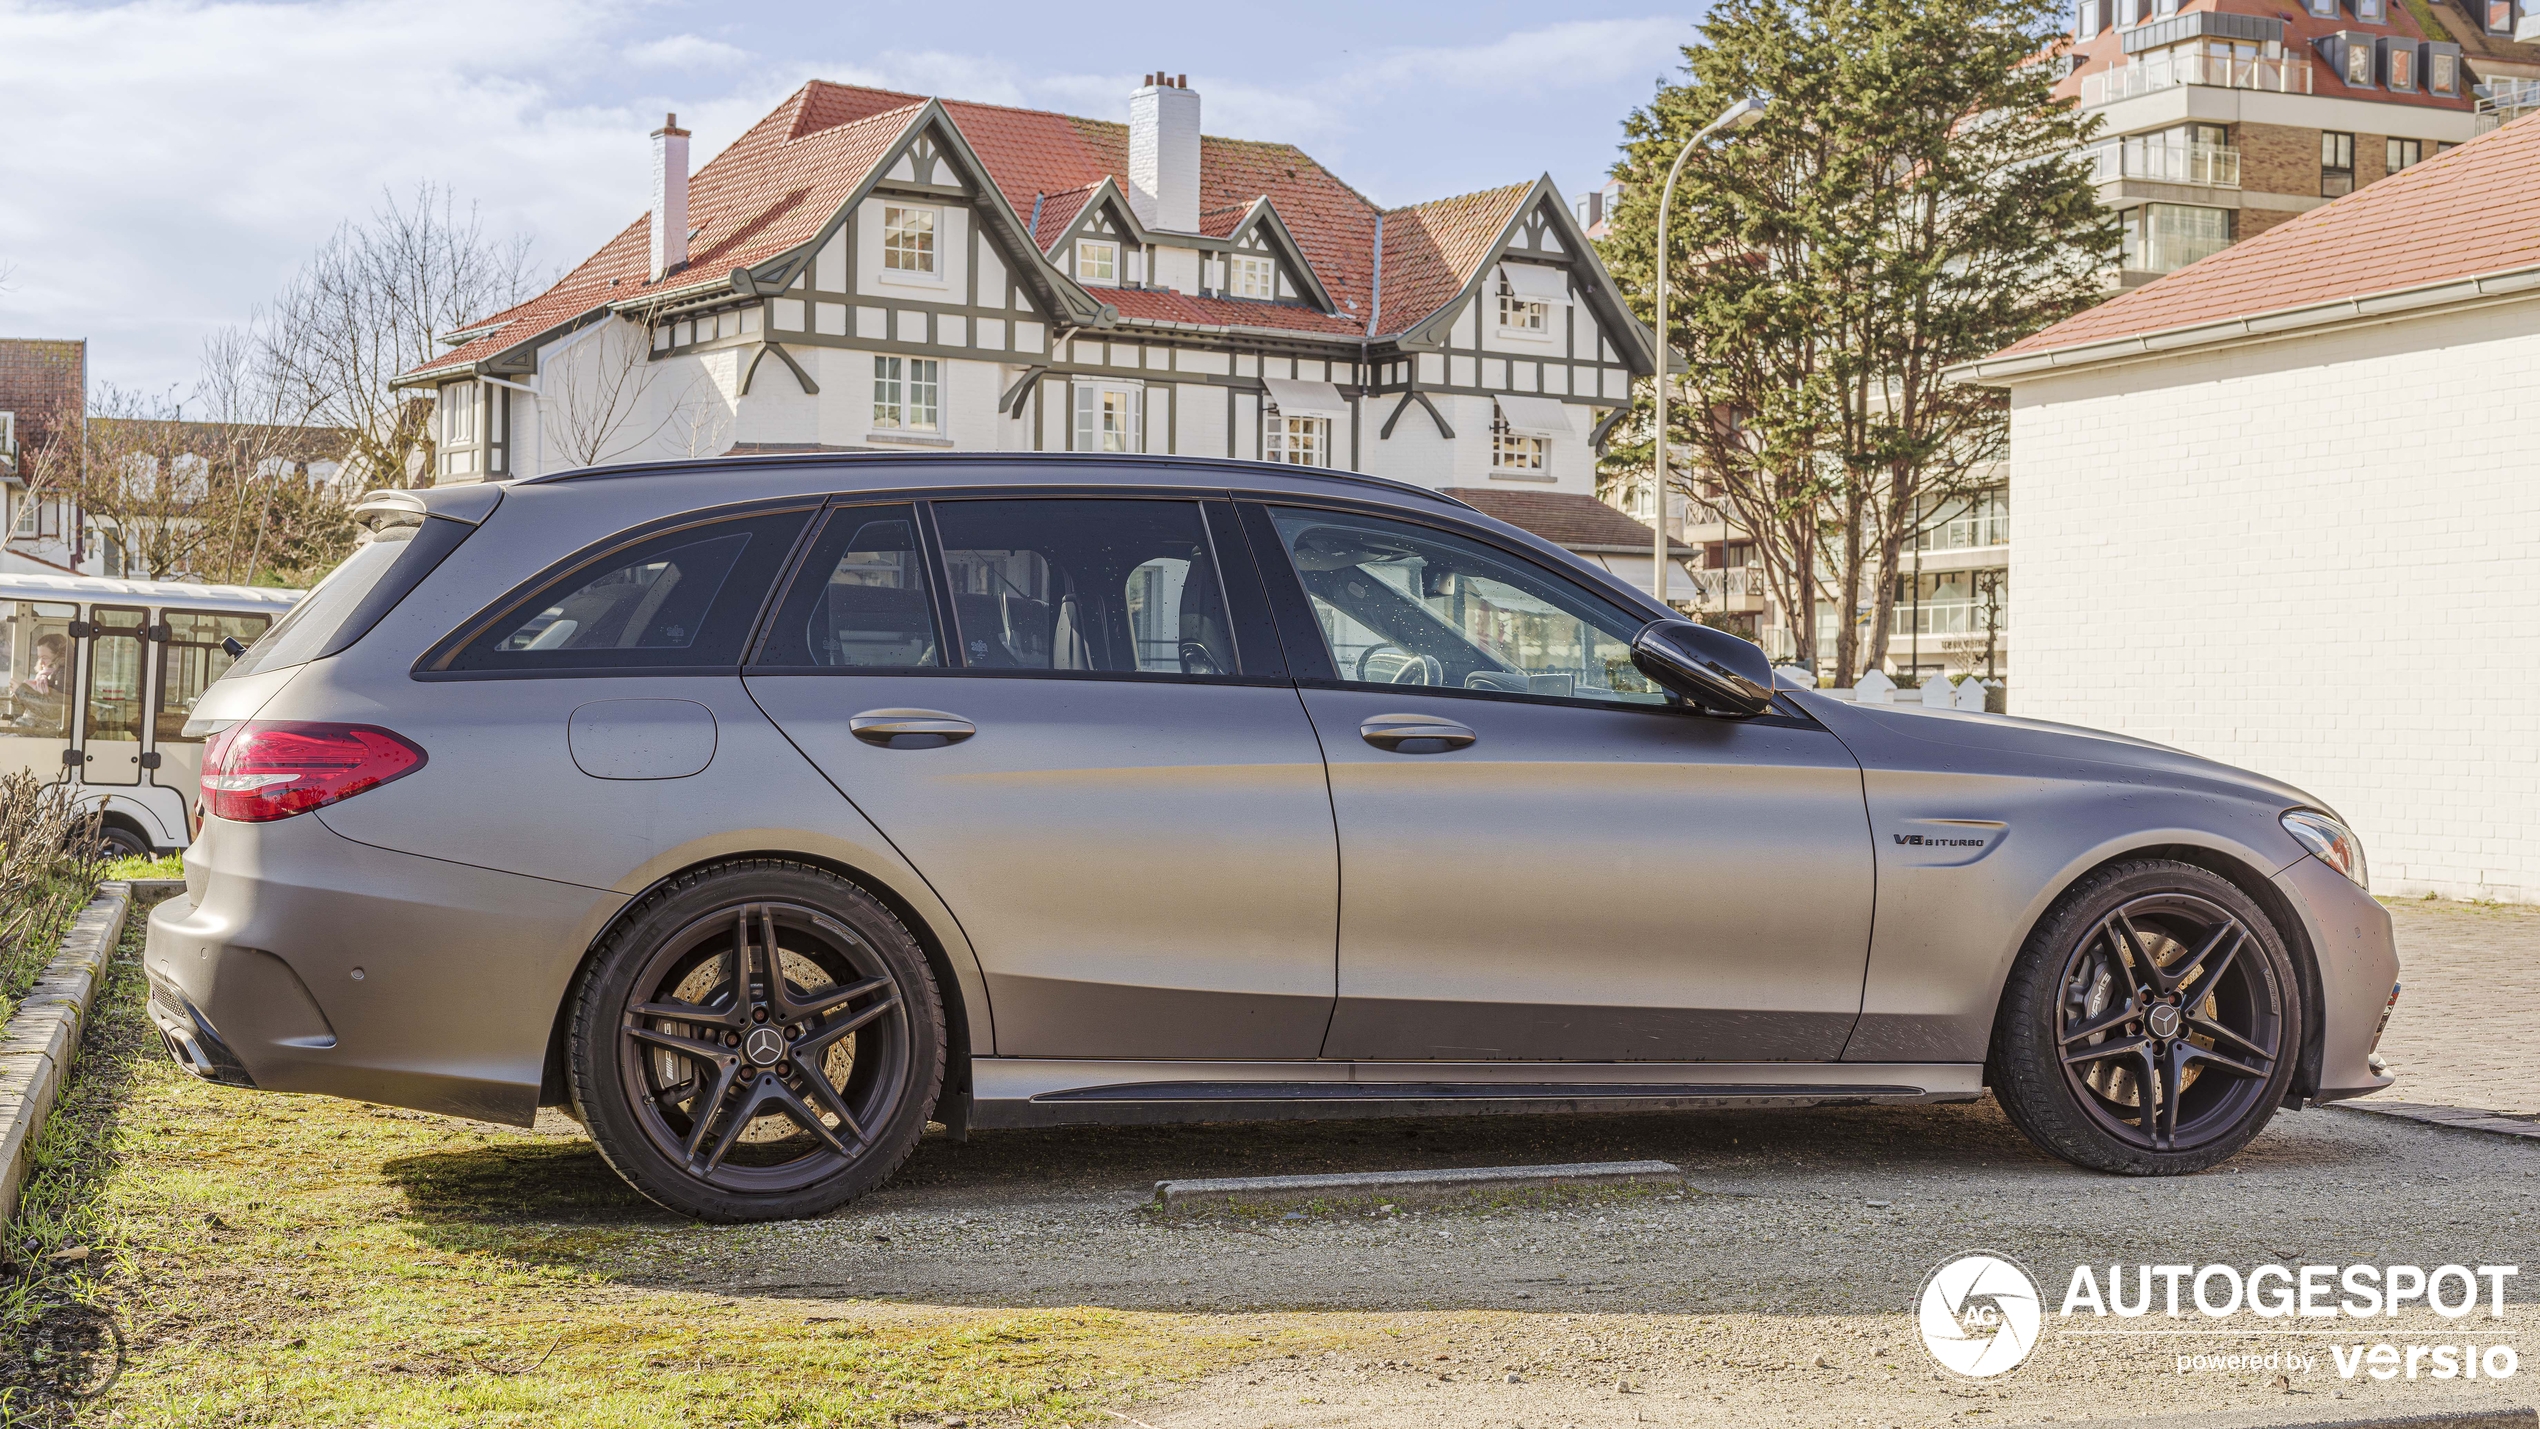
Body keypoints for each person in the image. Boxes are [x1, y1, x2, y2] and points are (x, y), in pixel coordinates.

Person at [11, 633, 69, 734]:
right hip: (33, 727)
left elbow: (50, 710)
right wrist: (17, 698)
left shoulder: (62, 677)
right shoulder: (44, 676)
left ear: (58, 656)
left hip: (44, 731)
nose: (41, 662)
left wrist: (21, 691)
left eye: (45, 657)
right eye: (39, 657)